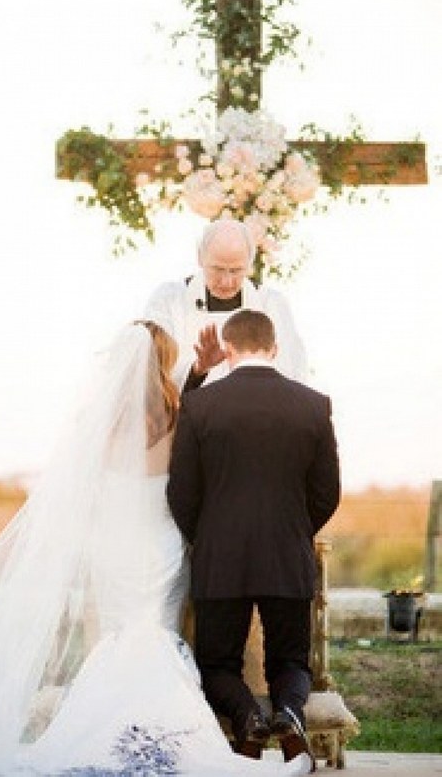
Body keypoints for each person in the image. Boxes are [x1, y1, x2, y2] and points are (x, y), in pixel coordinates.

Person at [0, 320, 313, 777]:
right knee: (157, 637)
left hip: (111, 549)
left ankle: (100, 729)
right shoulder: (180, 418)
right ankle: (164, 734)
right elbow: (190, 488)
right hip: (161, 549)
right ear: (162, 366)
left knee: (115, 640)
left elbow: (80, 494)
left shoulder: (95, 425)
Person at [167, 309, 341, 770]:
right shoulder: (313, 404)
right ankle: (287, 714)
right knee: (291, 663)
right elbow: (328, 493)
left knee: (217, 665)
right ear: (274, 349)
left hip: (220, 558)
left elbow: (180, 493)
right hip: (288, 555)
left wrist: (206, 538)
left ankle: (247, 719)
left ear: (226, 351)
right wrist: (294, 532)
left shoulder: (200, 405)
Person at [143, 218, 308, 391]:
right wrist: (198, 369)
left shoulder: (271, 303)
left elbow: (293, 370)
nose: (227, 282)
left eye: (236, 271)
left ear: (250, 264)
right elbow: (152, 367)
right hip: (190, 413)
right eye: (218, 269)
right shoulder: (169, 299)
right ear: (200, 257)